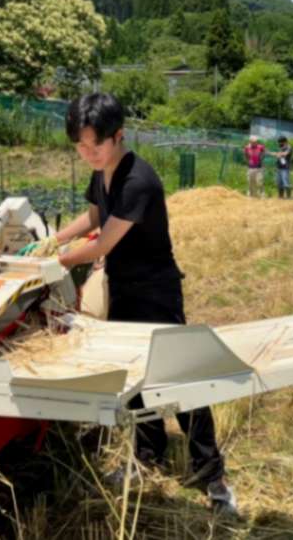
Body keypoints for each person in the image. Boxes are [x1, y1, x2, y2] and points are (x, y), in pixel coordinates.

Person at [54, 93, 236, 514]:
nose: (87, 154)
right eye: (79, 147)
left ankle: (214, 477)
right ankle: (146, 456)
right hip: (125, 288)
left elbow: (104, 241)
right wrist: (55, 237)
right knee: (135, 380)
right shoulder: (104, 173)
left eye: (94, 146)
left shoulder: (139, 180)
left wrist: (54, 259)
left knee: (179, 381)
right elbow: (96, 215)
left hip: (156, 292)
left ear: (119, 136)